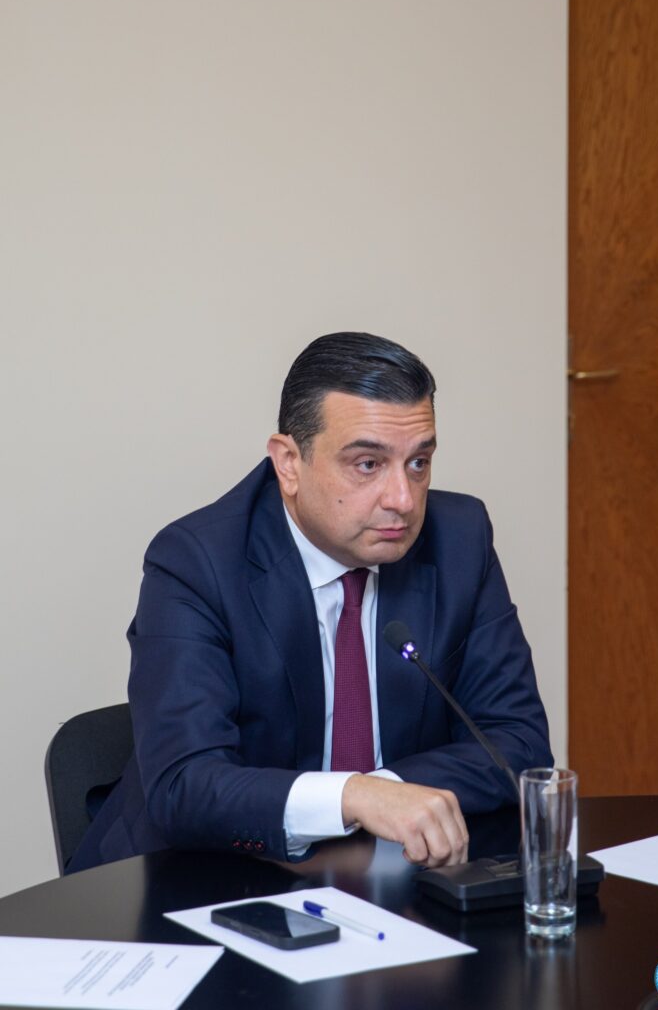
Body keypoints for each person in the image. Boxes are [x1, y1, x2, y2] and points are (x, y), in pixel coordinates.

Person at [68, 332, 552, 874]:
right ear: (289, 463)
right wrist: (355, 798)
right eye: (367, 464)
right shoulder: (197, 562)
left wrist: (388, 793)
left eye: (418, 463)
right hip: (202, 876)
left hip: (387, 875)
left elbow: (519, 744)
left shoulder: (459, 539)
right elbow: (185, 784)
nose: (403, 499)